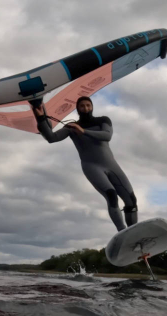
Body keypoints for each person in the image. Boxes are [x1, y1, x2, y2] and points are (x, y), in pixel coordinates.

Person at [31, 96, 138, 231]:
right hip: (91, 167)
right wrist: (40, 118)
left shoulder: (103, 120)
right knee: (111, 196)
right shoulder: (71, 127)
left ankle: (135, 232)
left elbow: (107, 136)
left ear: (92, 107)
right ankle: (123, 232)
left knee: (131, 201)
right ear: (77, 109)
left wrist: (84, 131)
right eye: (82, 106)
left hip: (112, 166)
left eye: (88, 105)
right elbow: (51, 138)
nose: (86, 108)